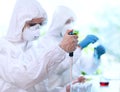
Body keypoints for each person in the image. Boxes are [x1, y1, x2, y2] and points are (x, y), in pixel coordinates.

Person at [0, 0, 79, 92]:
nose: (37, 28)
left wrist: (64, 90)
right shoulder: (4, 48)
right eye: (32, 24)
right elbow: (25, 78)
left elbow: (41, 88)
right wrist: (60, 49)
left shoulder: (33, 50)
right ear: (18, 22)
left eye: (40, 24)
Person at [36, 5, 106, 92]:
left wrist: (96, 56)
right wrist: (79, 47)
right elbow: (58, 68)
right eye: (68, 21)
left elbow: (88, 69)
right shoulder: (45, 42)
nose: (71, 25)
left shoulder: (71, 40)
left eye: (73, 21)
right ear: (58, 23)